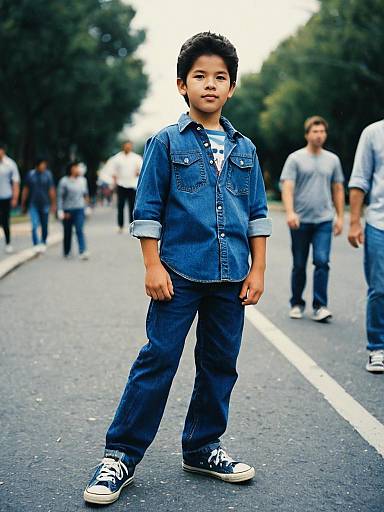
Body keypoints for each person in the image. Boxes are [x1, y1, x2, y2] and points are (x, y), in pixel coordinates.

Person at [84, 32, 272, 505]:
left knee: (219, 364)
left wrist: (259, 271)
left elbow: (257, 215)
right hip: (179, 274)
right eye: (200, 76)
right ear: (181, 85)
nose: (210, 84)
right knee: (158, 360)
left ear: (232, 88)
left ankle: (202, 445)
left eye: (220, 77)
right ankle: (120, 455)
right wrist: (152, 265)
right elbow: (147, 209)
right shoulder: (166, 143)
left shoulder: (245, 149)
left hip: (232, 277)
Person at [280, 116, 345, 322]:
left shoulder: (332, 160)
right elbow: (288, 187)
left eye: (322, 132)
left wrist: (341, 217)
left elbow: (338, 188)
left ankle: (320, 306)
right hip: (300, 220)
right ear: (307, 134)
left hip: (324, 220)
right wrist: (290, 212)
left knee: (322, 261)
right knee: (299, 264)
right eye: (315, 131)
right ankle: (297, 303)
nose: (319, 135)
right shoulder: (295, 159)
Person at [348, 119, 384, 373]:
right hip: (379, 223)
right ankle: (377, 348)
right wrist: (354, 222)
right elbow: (359, 179)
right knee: (380, 289)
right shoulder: (373, 132)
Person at [104, 141, 143, 232]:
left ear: (131, 147)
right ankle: (120, 225)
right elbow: (112, 170)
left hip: (132, 184)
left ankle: (132, 225)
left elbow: (142, 169)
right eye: (126, 146)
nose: (128, 148)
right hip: (121, 184)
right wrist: (114, 180)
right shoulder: (117, 158)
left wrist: (138, 172)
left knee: (132, 206)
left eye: (129, 146)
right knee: (120, 206)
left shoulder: (136, 158)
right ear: (123, 147)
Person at [21, 158, 56, 253]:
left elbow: (51, 189)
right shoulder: (31, 175)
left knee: (44, 225)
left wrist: (53, 204)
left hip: (45, 204)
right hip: (33, 204)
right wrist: (23, 203)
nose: (44, 166)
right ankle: (36, 244)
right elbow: (26, 190)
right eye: (42, 164)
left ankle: (43, 242)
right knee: (34, 224)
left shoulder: (48, 175)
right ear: (37, 165)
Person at [57, 161, 90, 260]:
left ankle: (82, 250)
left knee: (79, 230)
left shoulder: (83, 181)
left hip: (79, 208)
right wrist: (60, 210)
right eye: (76, 167)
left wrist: (87, 207)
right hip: (67, 210)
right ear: (71, 169)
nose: (78, 169)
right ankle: (66, 251)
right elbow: (60, 197)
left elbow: (85, 194)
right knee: (67, 232)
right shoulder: (64, 181)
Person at [0, 142, 20, 254]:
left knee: (5, 221)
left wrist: (15, 197)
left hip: (6, 196)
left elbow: (16, 181)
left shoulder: (10, 164)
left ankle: (8, 243)